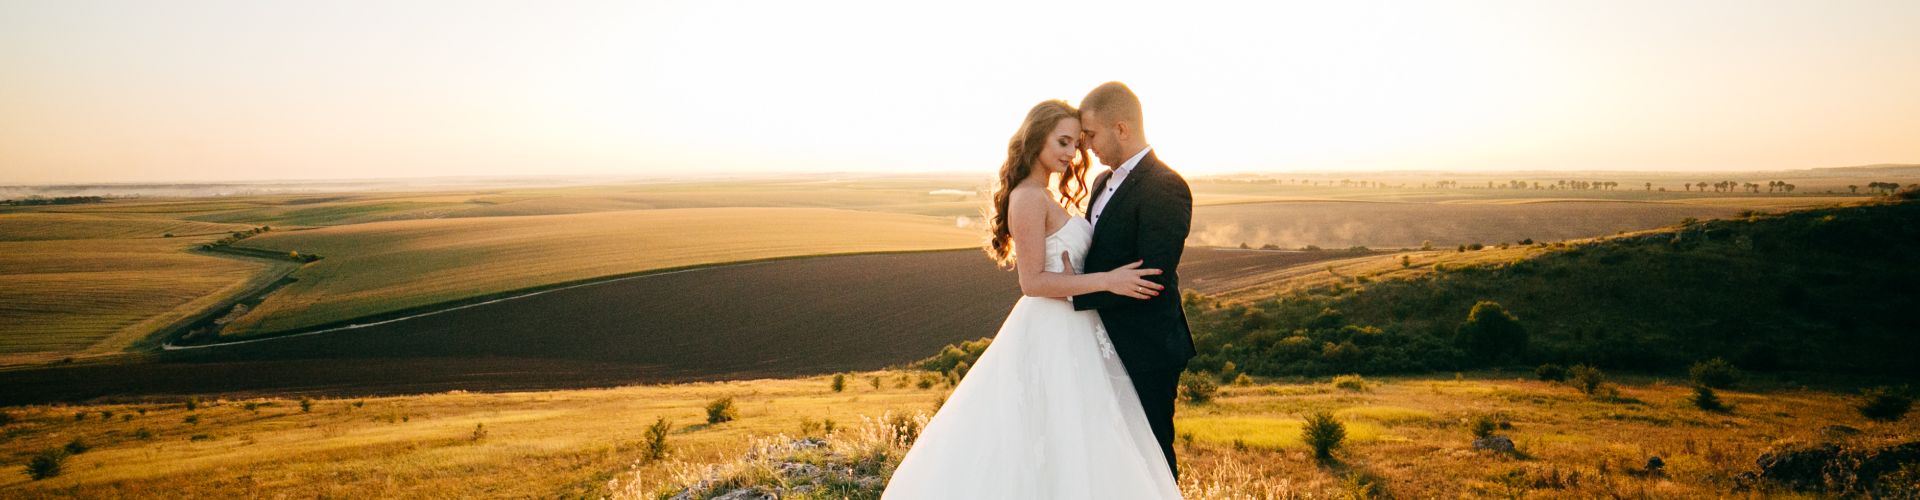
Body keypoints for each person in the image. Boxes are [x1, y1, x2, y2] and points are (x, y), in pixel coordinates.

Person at [879, 96, 1184, 499]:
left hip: (1086, 327)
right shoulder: (1026, 197)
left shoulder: (1054, 194)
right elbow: (1032, 281)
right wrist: (1104, 281)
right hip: (1051, 327)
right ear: (1035, 140)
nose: (1075, 152)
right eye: (1064, 142)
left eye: (1077, 142)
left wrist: (1089, 281)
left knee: (1087, 435)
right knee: (1049, 433)